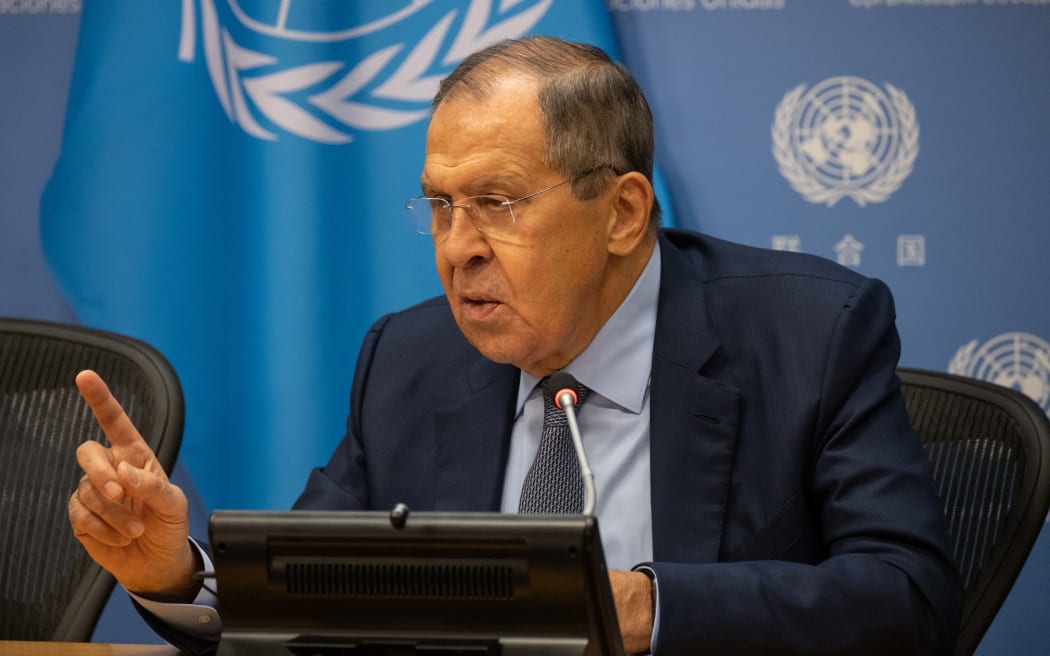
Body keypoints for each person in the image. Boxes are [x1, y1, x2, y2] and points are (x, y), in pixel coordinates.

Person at [68, 36, 961, 655]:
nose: (458, 247)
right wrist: (180, 575)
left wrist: (648, 606)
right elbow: (314, 589)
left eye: (497, 202)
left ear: (622, 213)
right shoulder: (410, 358)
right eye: (441, 206)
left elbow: (908, 599)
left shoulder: (808, 334)